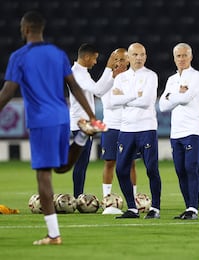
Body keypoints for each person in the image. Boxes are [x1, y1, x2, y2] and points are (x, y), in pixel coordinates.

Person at [0, 11, 105, 245]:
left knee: (43, 176)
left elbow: (8, 92)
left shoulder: (19, 56)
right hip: (60, 116)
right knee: (60, 168)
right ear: (41, 29)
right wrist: (91, 117)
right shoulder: (57, 54)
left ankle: (53, 234)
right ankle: (80, 139)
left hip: (41, 120)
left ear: (25, 29)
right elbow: (75, 87)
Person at [110, 42, 162, 219]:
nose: (139, 58)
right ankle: (132, 208)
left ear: (146, 56)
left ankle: (155, 208)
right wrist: (135, 96)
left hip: (146, 127)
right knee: (121, 169)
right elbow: (113, 102)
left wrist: (124, 97)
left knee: (151, 169)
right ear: (129, 57)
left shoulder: (151, 76)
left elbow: (147, 101)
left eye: (142, 54)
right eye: (135, 55)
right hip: (126, 129)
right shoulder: (120, 78)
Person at [159, 43, 199, 220]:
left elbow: (185, 99)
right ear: (174, 58)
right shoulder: (171, 80)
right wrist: (177, 95)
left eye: (185, 55)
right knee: (180, 170)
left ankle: (193, 208)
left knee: (191, 168)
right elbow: (162, 106)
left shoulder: (197, 77)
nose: (182, 59)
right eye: (178, 56)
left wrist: (172, 96)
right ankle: (188, 208)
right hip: (176, 132)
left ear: (191, 57)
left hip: (193, 129)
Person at [70, 43, 117, 198]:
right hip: (81, 123)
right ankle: (78, 197)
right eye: (95, 59)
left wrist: (112, 76)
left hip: (83, 122)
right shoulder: (78, 73)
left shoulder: (81, 72)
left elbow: (99, 90)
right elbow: (98, 90)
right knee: (81, 163)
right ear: (87, 57)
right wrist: (109, 68)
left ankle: (78, 196)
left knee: (82, 163)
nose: (96, 62)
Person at [100, 48, 138, 214]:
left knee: (131, 164)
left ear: (128, 60)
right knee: (110, 162)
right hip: (111, 126)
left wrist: (122, 97)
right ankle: (107, 200)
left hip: (129, 125)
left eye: (123, 60)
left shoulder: (133, 78)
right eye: (117, 59)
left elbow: (138, 99)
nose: (120, 63)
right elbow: (109, 103)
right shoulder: (107, 79)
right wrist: (125, 98)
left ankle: (134, 200)